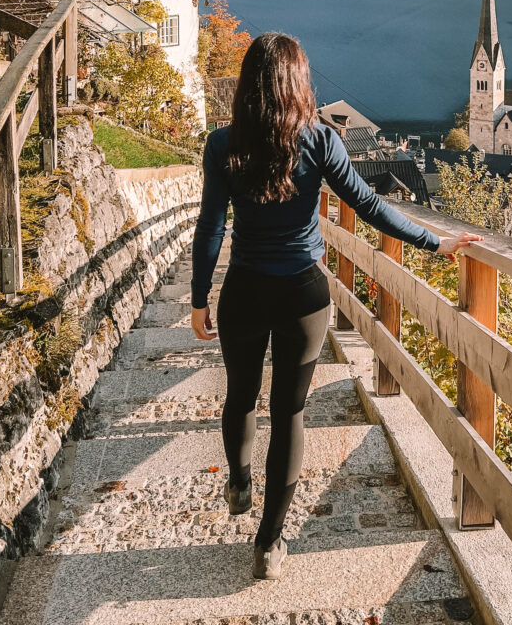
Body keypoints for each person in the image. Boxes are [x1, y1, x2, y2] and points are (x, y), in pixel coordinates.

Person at [190, 33, 481, 580]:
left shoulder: (222, 143)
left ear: (249, 85)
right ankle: (269, 544)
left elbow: (212, 225)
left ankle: (239, 480)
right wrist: (433, 242)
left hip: (244, 292)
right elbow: (369, 205)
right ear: (298, 83)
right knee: (289, 412)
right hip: (303, 294)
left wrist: (199, 296)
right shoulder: (321, 140)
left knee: (241, 397)